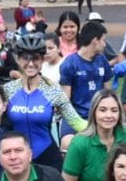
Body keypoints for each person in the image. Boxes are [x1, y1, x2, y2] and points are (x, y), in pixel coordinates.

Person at [5, 31, 86, 169]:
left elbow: (76, 122)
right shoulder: (7, 90)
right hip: (16, 159)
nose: (30, 64)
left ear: (42, 60)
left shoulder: (52, 90)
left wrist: (105, 127)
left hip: (47, 156)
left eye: (35, 58)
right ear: (17, 59)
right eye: (25, 58)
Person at [63, 90, 126, 181]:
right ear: (94, 112)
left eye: (114, 110)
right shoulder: (79, 143)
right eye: (103, 110)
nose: (109, 115)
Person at [58, 20, 112, 120]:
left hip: (100, 117)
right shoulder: (69, 64)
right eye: (103, 40)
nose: (104, 44)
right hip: (76, 117)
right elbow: (65, 102)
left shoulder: (102, 60)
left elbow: (108, 93)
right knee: (68, 137)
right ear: (95, 40)